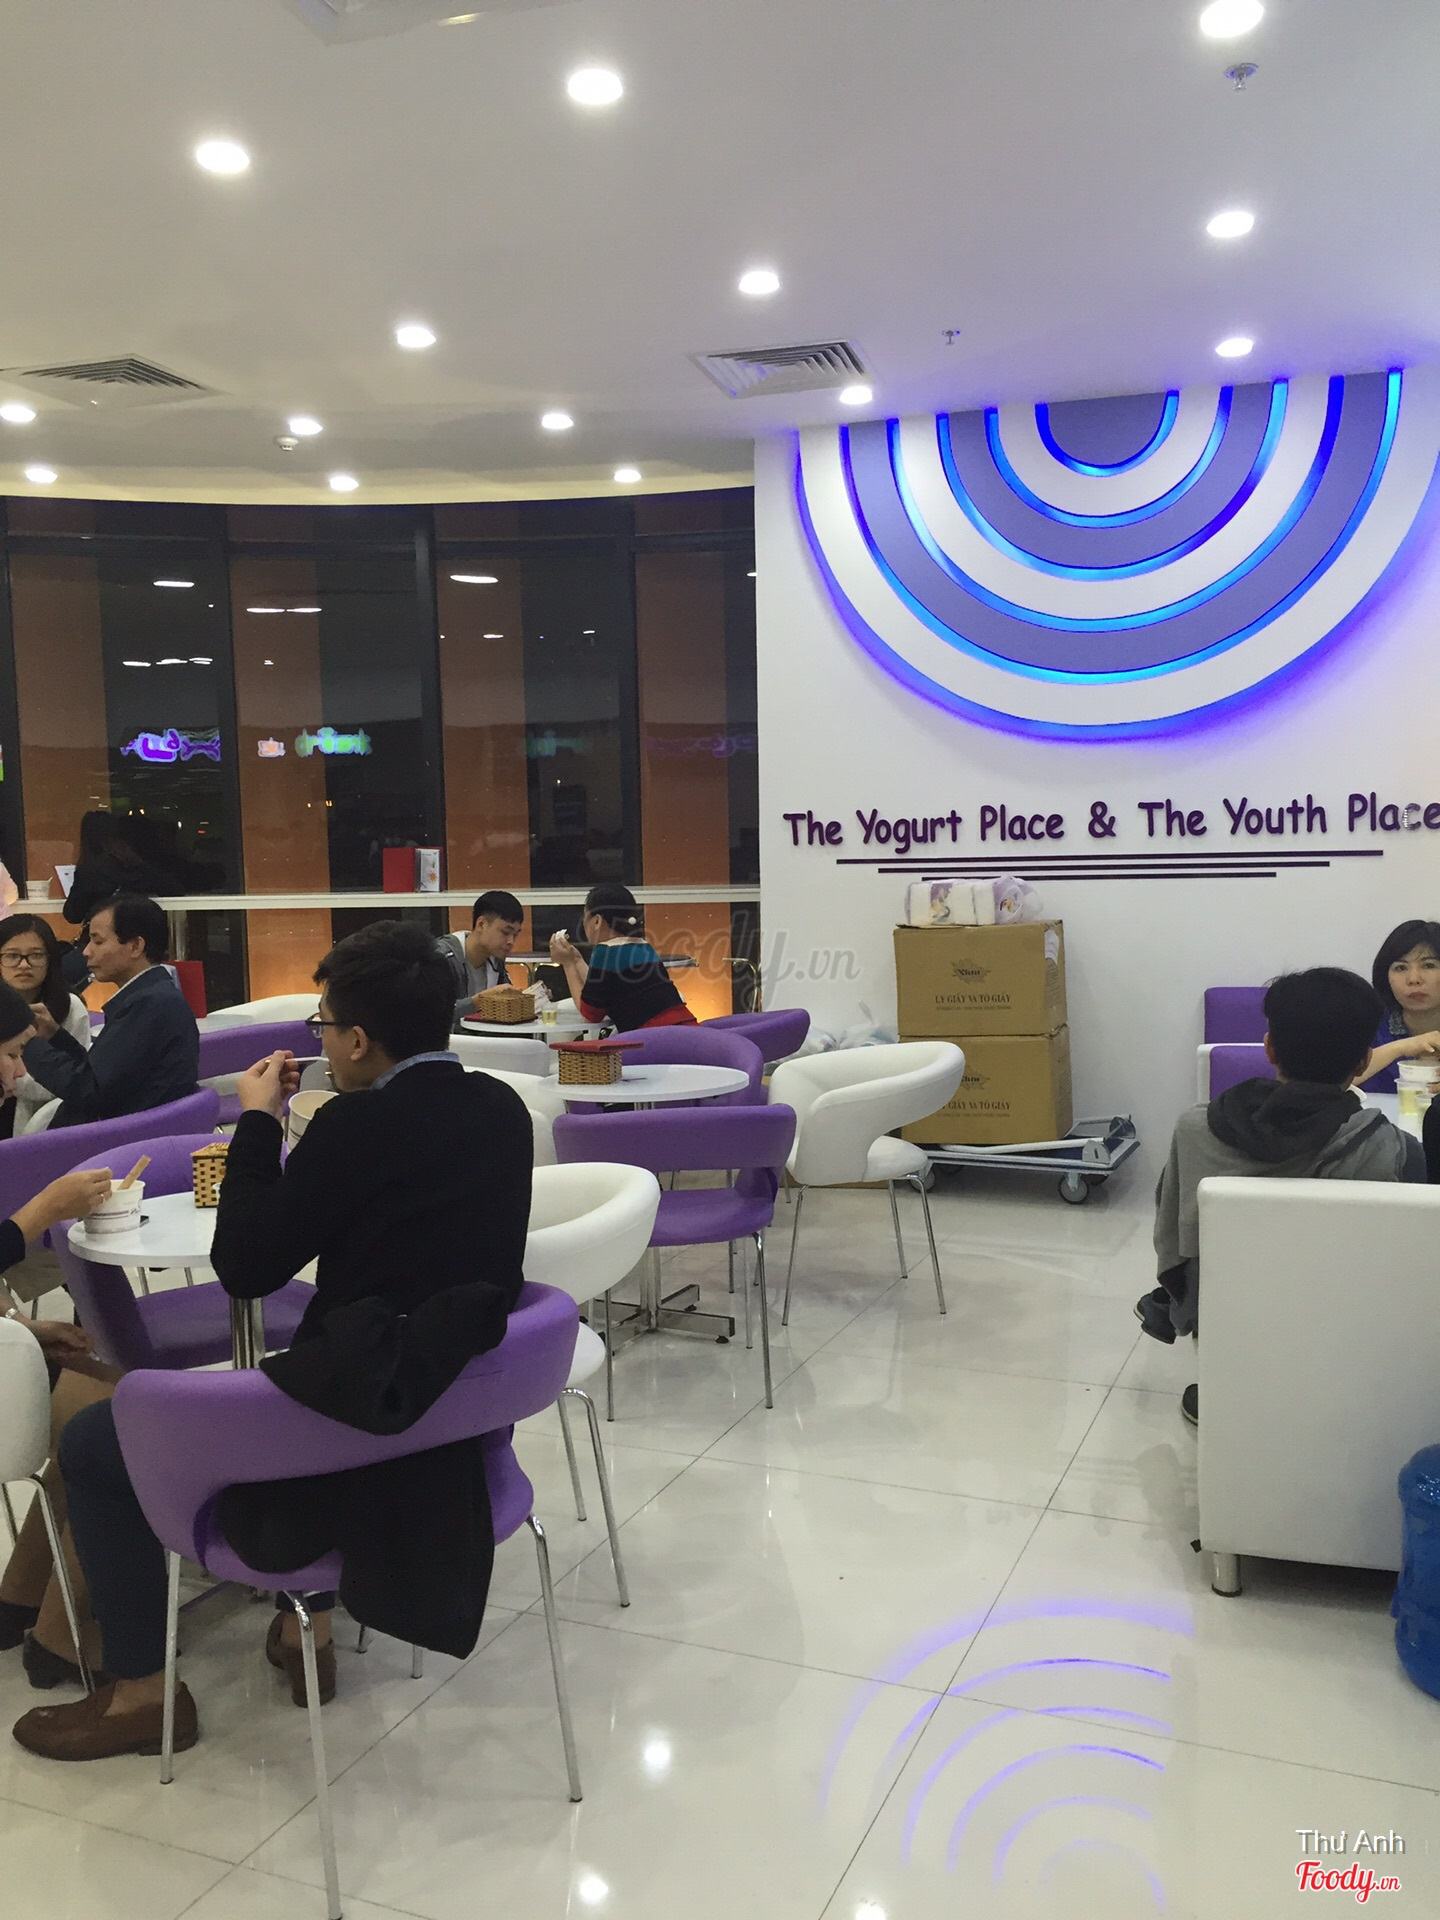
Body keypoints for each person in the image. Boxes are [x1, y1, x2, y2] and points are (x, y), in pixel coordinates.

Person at [14, 920, 533, 1762]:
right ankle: (306, 1632)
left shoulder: (357, 1128)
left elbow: (247, 1266)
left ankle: (141, 1694)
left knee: (97, 1441)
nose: (319, 1039)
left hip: (347, 1439)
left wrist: (258, 1122)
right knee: (315, 1361)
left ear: (358, 1041)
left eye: (325, 1025)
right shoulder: (502, 1111)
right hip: (447, 1422)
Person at [1137, 967, 1421, 1428]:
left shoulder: (1194, 1130)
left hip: (1226, 1315)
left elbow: (1172, 1235)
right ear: (1363, 1061)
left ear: (1269, 1048)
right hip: (1342, 1332)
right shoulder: (1391, 1149)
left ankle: (1230, 1387)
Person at [18, 895, 198, 1128]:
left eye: (98, 941)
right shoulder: (153, 997)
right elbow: (102, 1074)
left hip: (114, 1139)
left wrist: (27, 1041)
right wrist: (55, 1036)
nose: (86, 952)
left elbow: (88, 1090)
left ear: (135, 946)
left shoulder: (150, 1005)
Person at [547, 883, 695, 1032]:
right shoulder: (642, 946)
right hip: (687, 1029)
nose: (584, 923)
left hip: (659, 1038)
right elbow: (599, 992)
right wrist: (576, 960)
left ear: (597, 921)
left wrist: (568, 965)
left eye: (585, 916)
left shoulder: (605, 952)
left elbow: (590, 1015)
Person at [0, 914, 93, 1137]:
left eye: (36, 955)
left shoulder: (70, 1006)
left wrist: (14, 1081)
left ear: (50, 960)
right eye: (12, 956)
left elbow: (78, 1077)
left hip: (42, 1117)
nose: (24, 965)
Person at [62, 813, 179, 929]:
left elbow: (73, 915)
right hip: (138, 931)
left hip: (104, 934)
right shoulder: (136, 864)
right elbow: (173, 889)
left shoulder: (89, 870)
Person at [1360, 920, 1440, 1090]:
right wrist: (1401, 1047)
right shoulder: (1367, 1024)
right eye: (1401, 968)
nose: (1413, 979)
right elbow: (1331, 1083)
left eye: (1429, 965)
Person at [439, 889, 525, 1027]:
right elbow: (430, 1013)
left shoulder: (496, 959)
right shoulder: (442, 957)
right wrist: (481, 1000)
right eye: (505, 932)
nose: (511, 941)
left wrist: (531, 1000)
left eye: (515, 935)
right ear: (481, 924)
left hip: (482, 1038)